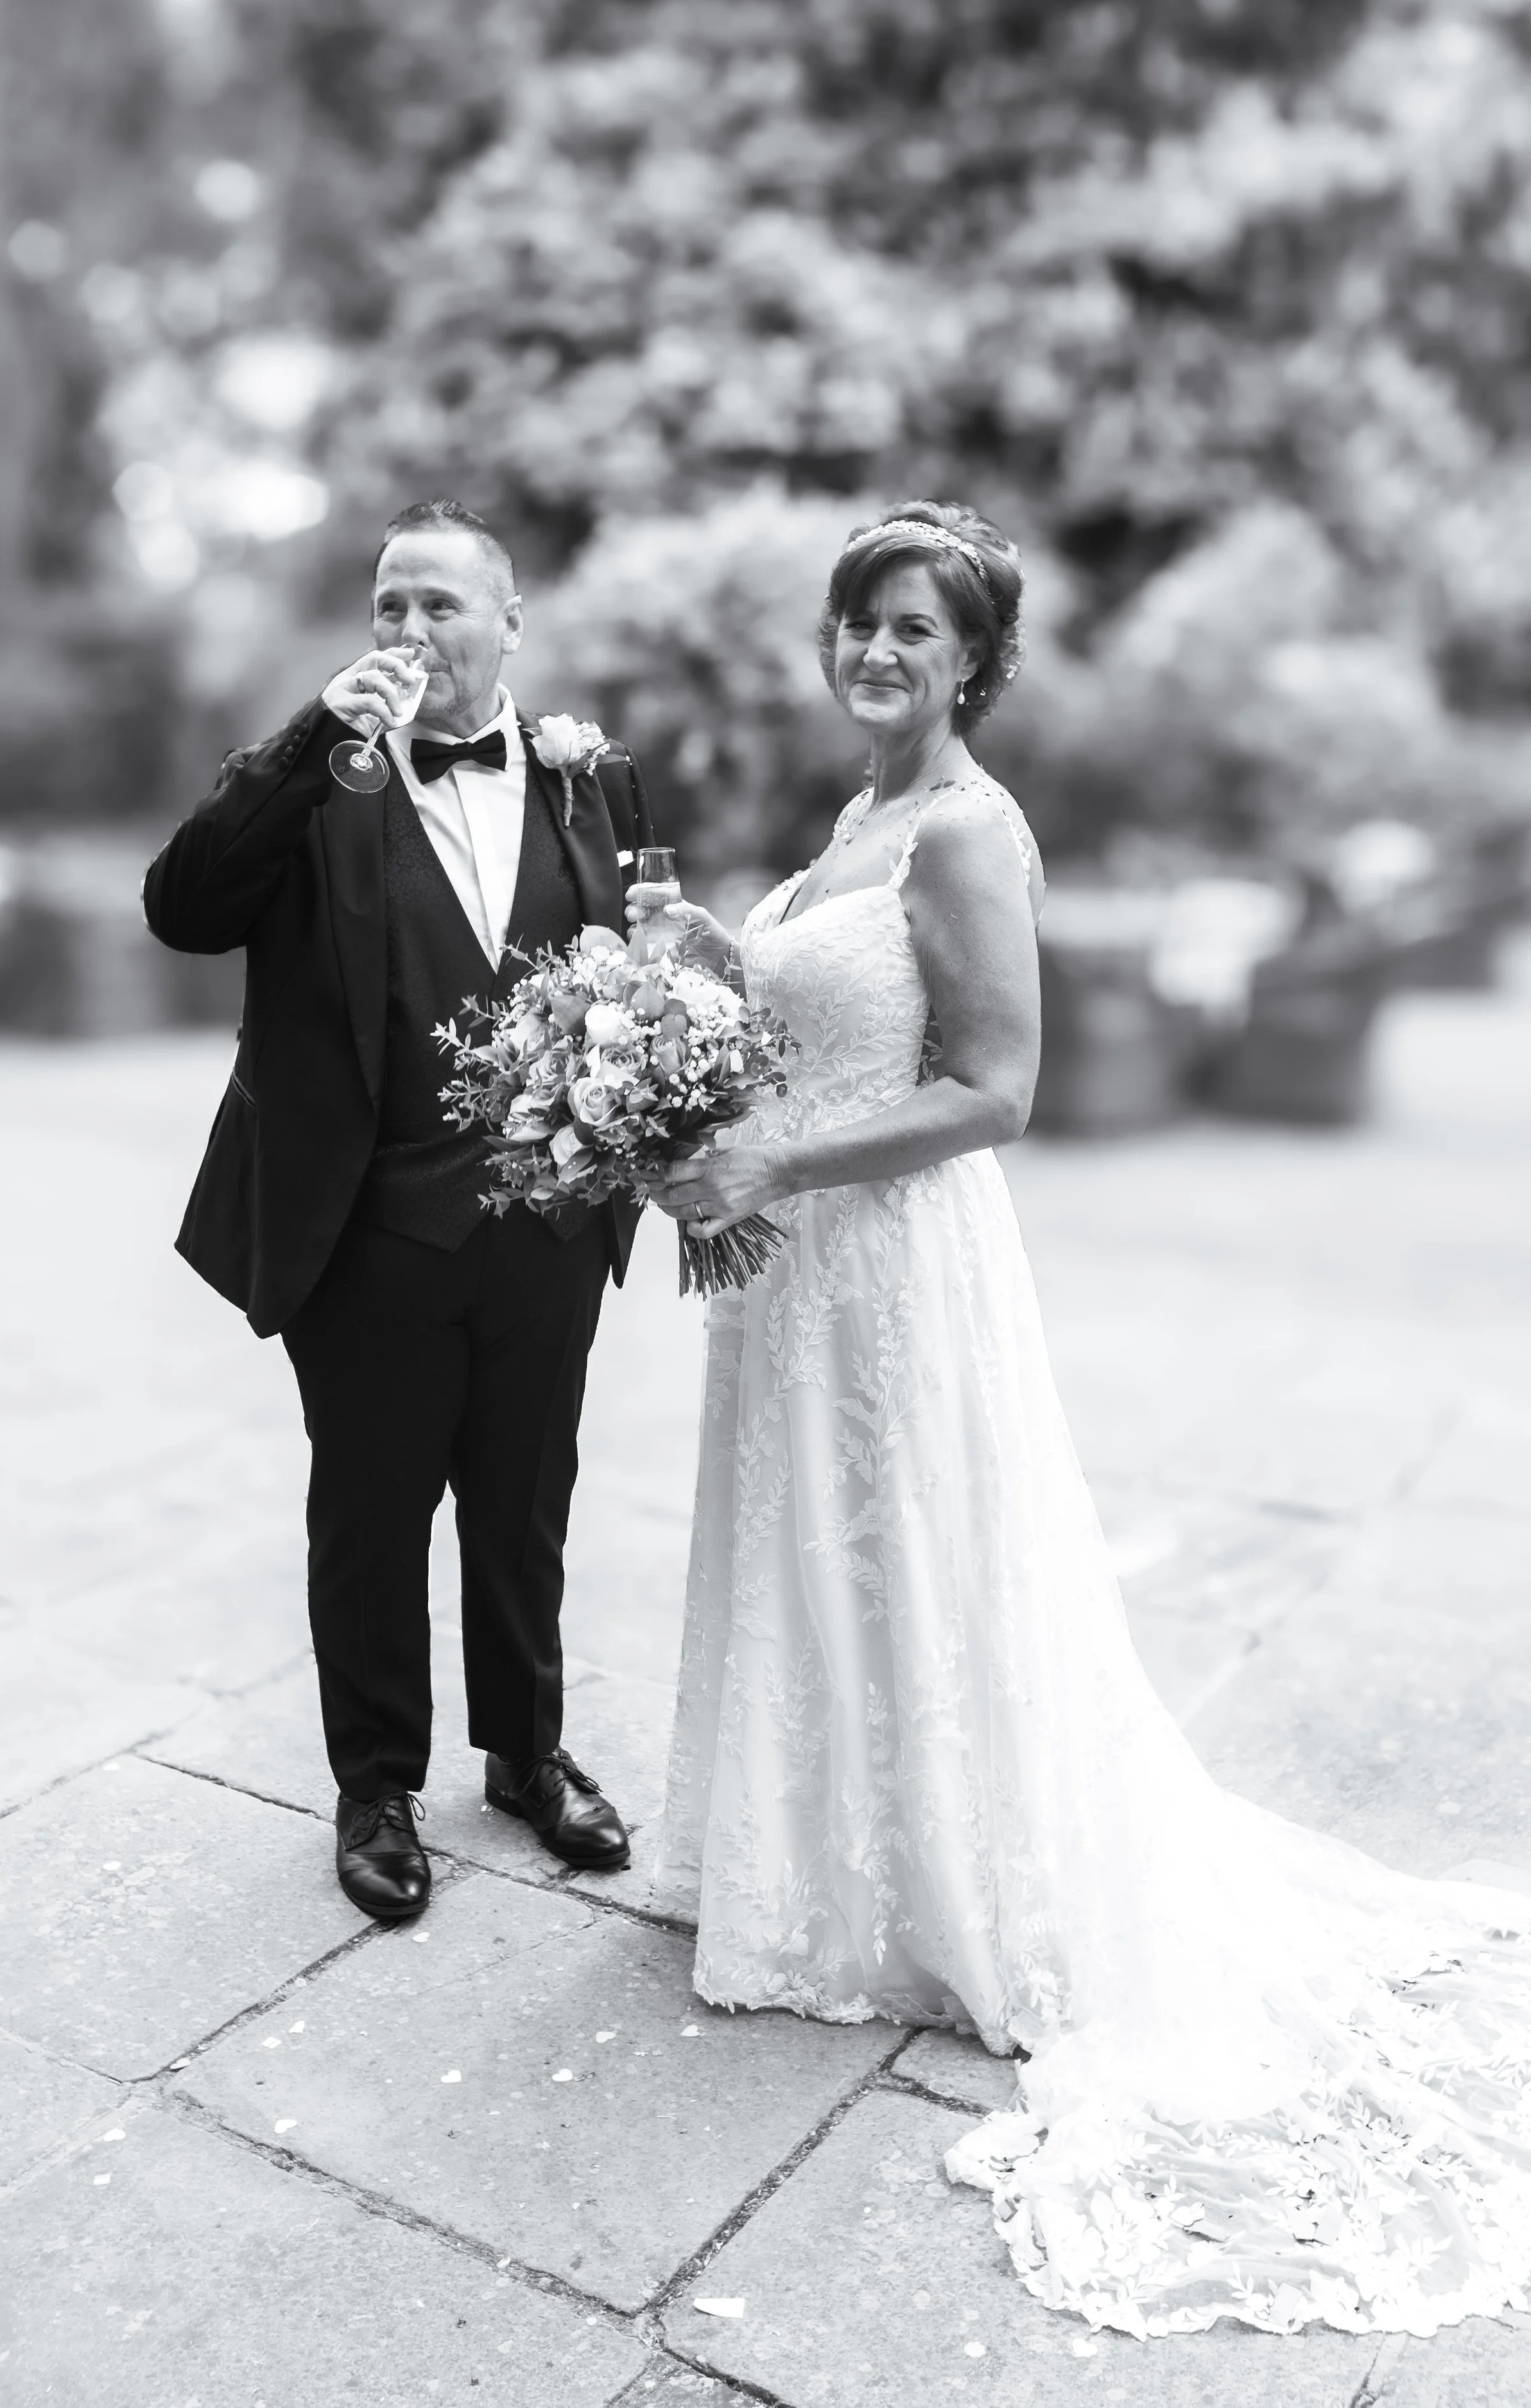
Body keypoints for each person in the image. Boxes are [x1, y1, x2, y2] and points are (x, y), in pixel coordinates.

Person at [641, 502, 1531, 2339]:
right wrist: (699, 984)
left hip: (890, 1260)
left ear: (973, 659)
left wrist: (768, 1151)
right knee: (825, 1550)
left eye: (911, 628)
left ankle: (951, 1888)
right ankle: (824, 1857)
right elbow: (830, 1022)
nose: (873, 652)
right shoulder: (853, 823)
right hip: (799, 1267)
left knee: (923, 1554)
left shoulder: (964, 828)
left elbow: (997, 1086)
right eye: (855, 622)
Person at [144, 500, 652, 1921]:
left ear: (508, 624)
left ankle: (526, 1754)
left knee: (525, 1498)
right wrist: (314, 741)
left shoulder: (589, 780)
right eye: (387, 607)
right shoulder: (318, 780)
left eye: (439, 606)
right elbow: (185, 908)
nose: (409, 633)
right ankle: (374, 1786)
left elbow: (635, 953)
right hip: (364, 1228)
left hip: (549, 1221)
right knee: (370, 1514)